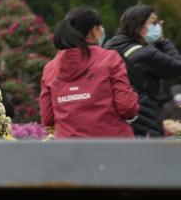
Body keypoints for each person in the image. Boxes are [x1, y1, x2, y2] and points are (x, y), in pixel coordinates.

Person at [40, 7, 138, 138]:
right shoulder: (110, 59)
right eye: (100, 27)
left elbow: (48, 118)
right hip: (113, 144)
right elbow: (127, 108)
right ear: (94, 30)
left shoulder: (50, 68)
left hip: (69, 147)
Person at [104, 4, 181, 138]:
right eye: (153, 22)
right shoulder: (146, 53)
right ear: (138, 26)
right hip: (145, 116)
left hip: (115, 118)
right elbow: (177, 67)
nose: (158, 26)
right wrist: (162, 41)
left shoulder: (108, 48)